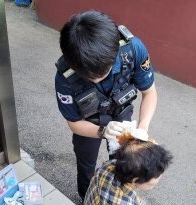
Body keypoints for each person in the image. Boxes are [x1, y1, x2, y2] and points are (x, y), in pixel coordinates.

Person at [55, 10, 158, 199]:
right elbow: (74, 122)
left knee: (123, 162)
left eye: (103, 73)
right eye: (88, 76)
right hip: (89, 123)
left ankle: (116, 197)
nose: (95, 81)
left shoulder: (133, 49)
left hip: (122, 112)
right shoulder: (65, 77)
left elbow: (149, 93)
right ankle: (88, 197)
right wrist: (102, 131)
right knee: (86, 163)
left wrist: (142, 129)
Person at [84, 138, 173, 205]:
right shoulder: (126, 202)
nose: (160, 177)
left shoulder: (109, 165)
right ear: (134, 180)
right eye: (157, 176)